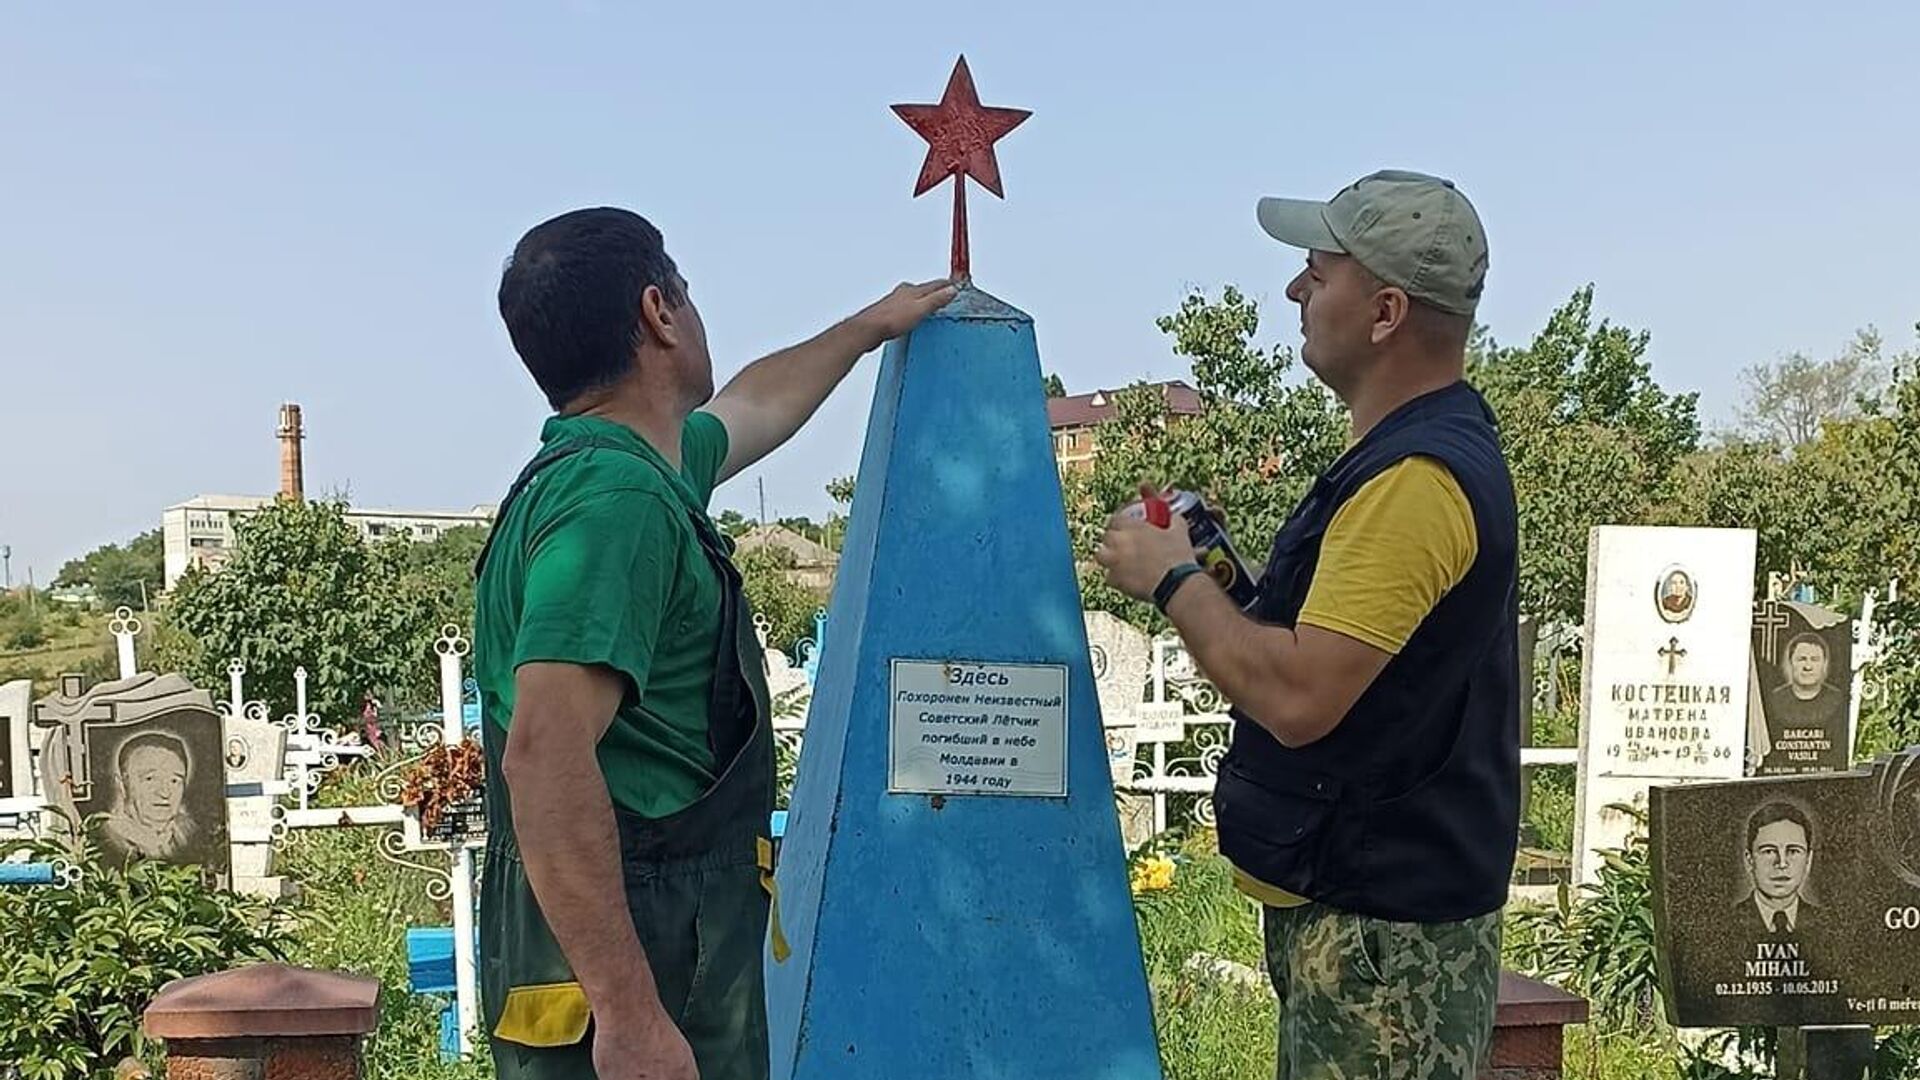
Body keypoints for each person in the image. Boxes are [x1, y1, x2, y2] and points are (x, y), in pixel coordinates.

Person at [473, 206, 954, 1080]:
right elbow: (543, 756)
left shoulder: (637, 466)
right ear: (659, 313)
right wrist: (630, 1015)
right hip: (642, 969)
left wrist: (865, 329)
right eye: (686, 294)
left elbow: (755, 406)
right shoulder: (614, 503)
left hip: (648, 954)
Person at [1095, 170, 1519, 1079]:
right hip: (1370, 920)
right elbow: (1339, 659)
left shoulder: (1415, 482)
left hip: (1381, 940)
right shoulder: (1404, 460)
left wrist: (1171, 577)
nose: (1295, 290)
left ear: (1385, 312)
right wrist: (1218, 567)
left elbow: (1299, 694)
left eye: (1319, 273)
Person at [101, 730, 198, 864]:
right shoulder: (104, 842)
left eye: (174, 781)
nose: (164, 793)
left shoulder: (190, 833)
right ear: (122, 785)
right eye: (150, 779)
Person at [1734, 800, 1819, 936]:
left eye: (1793, 851)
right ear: (1749, 860)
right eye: (1769, 851)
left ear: (1808, 860)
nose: (1782, 863)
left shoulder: (1829, 925)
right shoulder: (1722, 923)